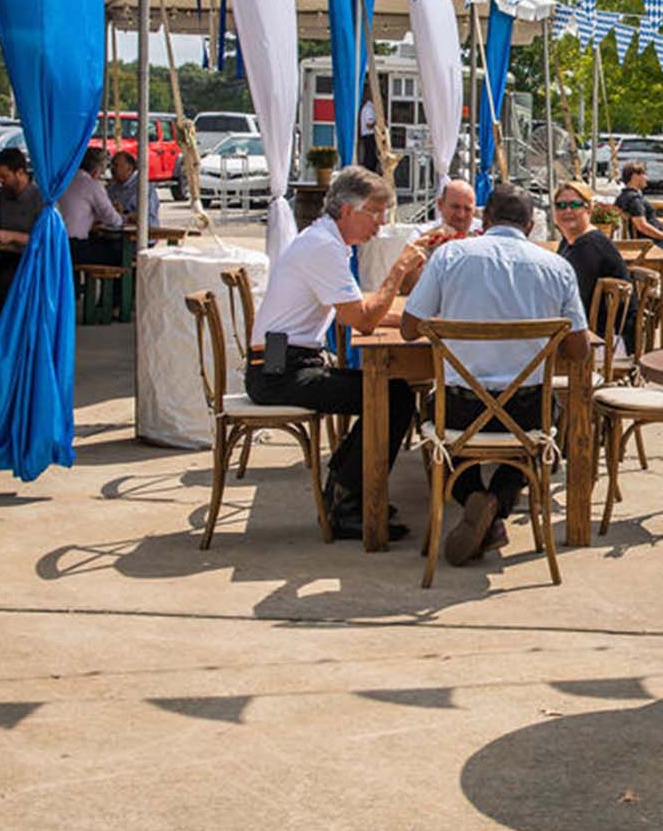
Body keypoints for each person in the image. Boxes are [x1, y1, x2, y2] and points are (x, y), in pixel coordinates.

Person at [401, 183, 589, 566]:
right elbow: (579, 351)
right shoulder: (557, 267)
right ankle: (498, 504)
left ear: (484, 221)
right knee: (548, 417)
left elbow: (408, 328)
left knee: (429, 412)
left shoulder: (450, 256)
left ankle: (473, 496)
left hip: (458, 411)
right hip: (526, 413)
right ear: (532, 224)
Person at [245, 166, 429, 541]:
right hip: (278, 370)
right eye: (375, 213)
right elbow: (360, 320)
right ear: (348, 210)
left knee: (390, 394)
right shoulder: (323, 247)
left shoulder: (325, 242)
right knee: (392, 396)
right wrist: (400, 267)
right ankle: (347, 502)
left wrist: (419, 321)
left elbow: (356, 306)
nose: (379, 225)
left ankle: (347, 491)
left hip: (283, 360)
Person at [551, 178, 634, 348]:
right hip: (588, 329)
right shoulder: (569, 241)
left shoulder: (590, 245)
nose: (567, 211)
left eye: (574, 205)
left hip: (607, 340)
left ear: (589, 209)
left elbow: (575, 299)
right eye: (560, 205)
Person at [58, 147, 125, 266]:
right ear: (96, 169)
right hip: (73, 246)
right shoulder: (91, 185)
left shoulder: (63, 181)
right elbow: (113, 220)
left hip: (55, 243)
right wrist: (123, 217)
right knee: (120, 254)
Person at [613, 162, 663, 254]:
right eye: (644, 174)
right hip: (649, 245)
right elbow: (642, 226)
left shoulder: (623, 196)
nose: (646, 178)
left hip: (649, 242)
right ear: (635, 176)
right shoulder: (634, 200)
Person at [105, 149, 159, 226]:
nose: (112, 169)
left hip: (138, 235)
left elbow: (150, 220)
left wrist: (125, 213)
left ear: (129, 168)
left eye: (116, 165)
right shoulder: (112, 188)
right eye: (111, 166)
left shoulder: (144, 188)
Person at [357, 96, 380, 174]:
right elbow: (369, 125)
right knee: (370, 158)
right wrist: (379, 123)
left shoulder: (368, 108)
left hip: (368, 136)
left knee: (370, 156)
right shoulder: (369, 109)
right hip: (369, 136)